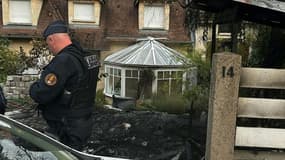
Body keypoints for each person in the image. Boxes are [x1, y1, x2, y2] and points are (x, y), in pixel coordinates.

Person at [29, 20, 99, 150]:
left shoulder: (63, 61)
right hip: (84, 120)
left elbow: (42, 94)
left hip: (66, 125)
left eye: (47, 44)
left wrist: (33, 88)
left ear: (51, 40)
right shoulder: (88, 57)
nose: (49, 48)